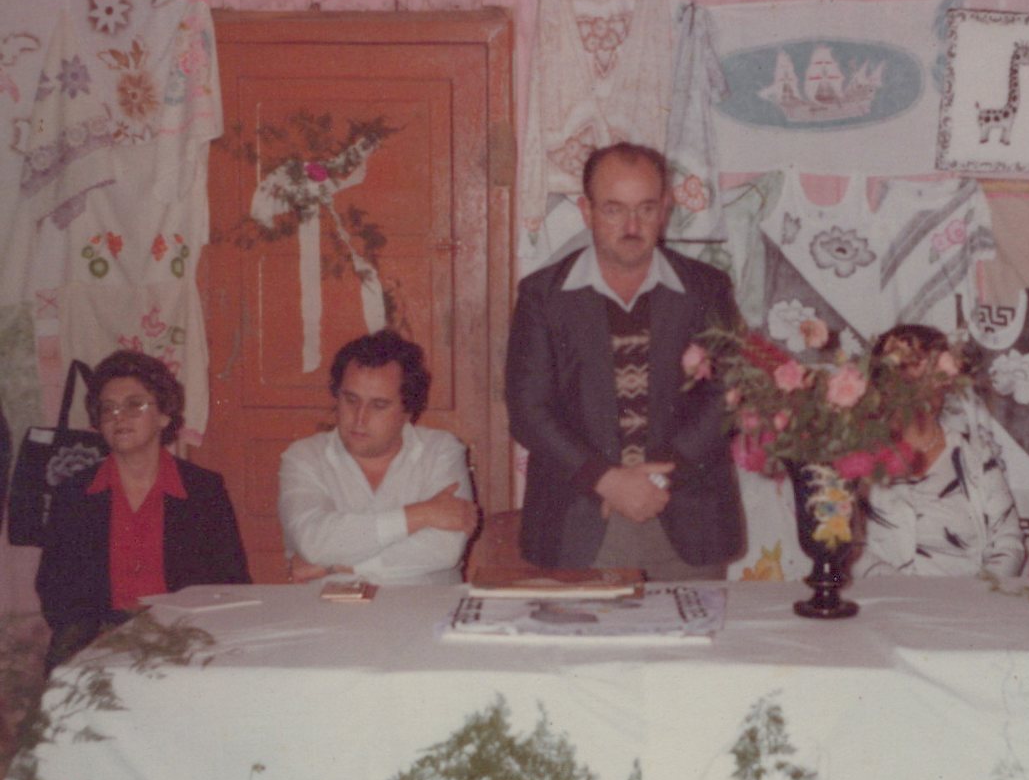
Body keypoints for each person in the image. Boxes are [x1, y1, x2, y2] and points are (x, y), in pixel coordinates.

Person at [505, 142, 742, 578]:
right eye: (614, 209)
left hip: (687, 519)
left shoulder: (706, 289)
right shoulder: (543, 296)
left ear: (665, 209)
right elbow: (528, 411)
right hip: (581, 524)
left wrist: (656, 480)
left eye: (646, 209)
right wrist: (607, 480)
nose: (632, 226)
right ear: (587, 210)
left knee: (694, 626)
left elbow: (725, 397)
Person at [36, 351, 250, 670]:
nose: (118, 417)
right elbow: (54, 589)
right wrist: (107, 635)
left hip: (183, 635)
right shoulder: (75, 493)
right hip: (97, 638)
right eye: (108, 408)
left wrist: (174, 630)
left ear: (164, 415)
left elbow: (230, 582)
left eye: (134, 405)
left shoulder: (203, 490)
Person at [279, 329, 478, 585]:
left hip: (422, 607)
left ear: (408, 411)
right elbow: (314, 542)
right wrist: (420, 514)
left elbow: (444, 549)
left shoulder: (441, 451)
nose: (359, 418)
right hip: (327, 607)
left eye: (379, 405)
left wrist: (333, 567)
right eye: (351, 400)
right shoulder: (303, 457)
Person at [860, 324, 1025, 578]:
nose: (921, 388)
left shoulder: (975, 455)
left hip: (970, 597)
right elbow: (847, 546)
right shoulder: (858, 458)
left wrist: (981, 593)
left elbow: (1008, 543)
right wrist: (903, 594)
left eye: (930, 372)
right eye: (908, 374)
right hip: (883, 597)